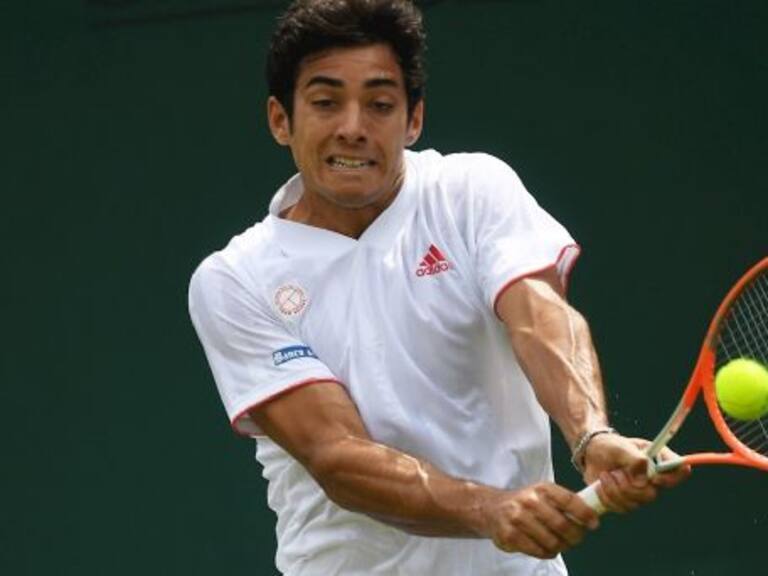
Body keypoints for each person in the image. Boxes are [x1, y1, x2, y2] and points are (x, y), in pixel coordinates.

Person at [188, 1, 689, 574]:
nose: (353, 127)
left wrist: (591, 436)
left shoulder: (472, 190)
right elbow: (338, 456)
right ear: (282, 120)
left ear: (413, 119)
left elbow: (539, 315)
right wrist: (491, 509)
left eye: (380, 104)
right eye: (326, 102)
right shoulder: (235, 280)